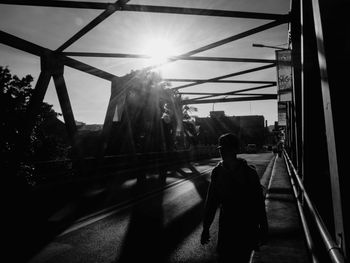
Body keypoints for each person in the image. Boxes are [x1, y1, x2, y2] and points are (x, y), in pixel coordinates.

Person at [200, 133, 268, 262]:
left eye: (227, 149)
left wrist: (263, 228)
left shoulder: (249, 173)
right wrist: (206, 227)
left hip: (246, 226)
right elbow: (211, 202)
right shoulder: (217, 172)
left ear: (235, 150)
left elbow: (258, 204)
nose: (224, 153)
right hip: (226, 226)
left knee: (242, 256)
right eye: (222, 149)